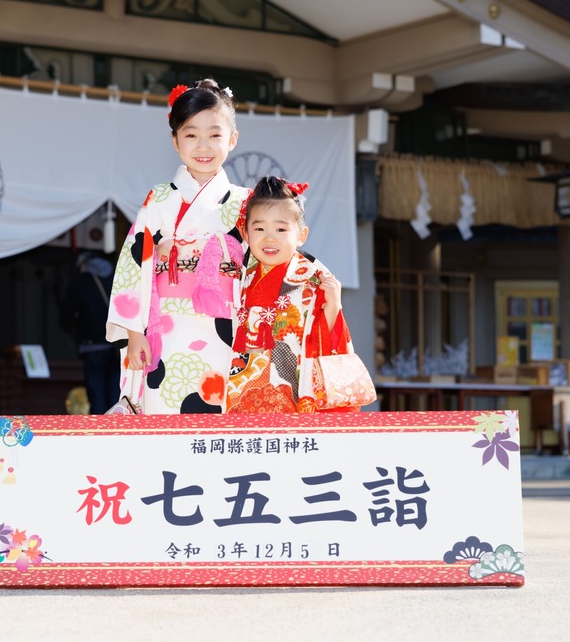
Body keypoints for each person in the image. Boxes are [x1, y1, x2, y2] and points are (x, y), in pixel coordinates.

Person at [105, 78, 250, 413]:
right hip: (165, 328)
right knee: (166, 408)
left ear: (233, 139)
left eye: (215, 134)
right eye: (191, 134)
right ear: (175, 141)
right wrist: (133, 332)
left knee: (220, 415)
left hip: (226, 326)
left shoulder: (246, 203)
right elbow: (134, 263)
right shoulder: (160, 199)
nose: (203, 145)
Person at [227, 176, 366, 413]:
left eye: (281, 229)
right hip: (238, 391)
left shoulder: (313, 280)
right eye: (259, 228)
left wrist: (333, 305)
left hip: (292, 392)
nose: (269, 237)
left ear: (301, 235)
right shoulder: (237, 277)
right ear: (246, 233)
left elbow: (329, 336)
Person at [60, 252, 119, 414]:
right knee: (117, 396)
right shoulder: (117, 277)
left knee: (97, 396)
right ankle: (119, 432)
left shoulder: (80, 283)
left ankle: (101, 436)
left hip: (92, 347)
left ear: (84, 265)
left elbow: (65, 316)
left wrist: (78, 331)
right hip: (117, 347)